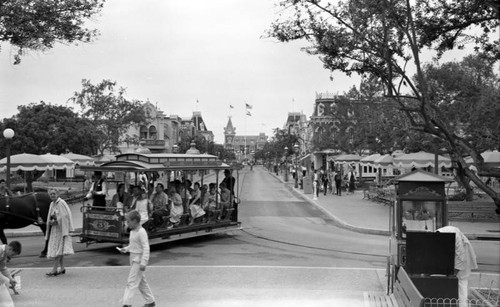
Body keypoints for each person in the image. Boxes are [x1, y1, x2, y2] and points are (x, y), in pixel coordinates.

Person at [118, 210, 156, 307]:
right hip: (133, 258)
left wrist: (144, 262)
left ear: (135, 221)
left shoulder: (141, 232)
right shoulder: (133, 232)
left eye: (128, 221)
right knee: (141, 282)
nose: (127, 223)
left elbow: (146, 247)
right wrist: (126, 249)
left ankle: (126, 303)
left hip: (138, 260)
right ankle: (150, 301)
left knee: (131, 282)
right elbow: (133, 245)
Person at [437, 226, 478, 307]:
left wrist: (454, 272)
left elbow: (461, 256)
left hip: (462, 257)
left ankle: (463, 305)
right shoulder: (439, 234)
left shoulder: (454, 234)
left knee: (462, 283)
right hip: (454, 257)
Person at [46, 188, 74, 276]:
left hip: (61, 230)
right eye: (51, 194)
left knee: (58, 250)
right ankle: (62, 268)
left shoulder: (61, 203)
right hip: (55, 229)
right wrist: (51, 221)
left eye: (54, 193)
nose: (52, 195)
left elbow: (64, 216)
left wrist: (55, 221)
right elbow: (53, 215)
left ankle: (54, 270)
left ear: (57, 194)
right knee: (59, 249)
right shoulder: (52, 203)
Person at [0, 241, 21, 306]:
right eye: (12, 254)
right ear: (10, 249)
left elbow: (3, 268)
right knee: (4, 281)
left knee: (6, 281)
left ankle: (4, 301)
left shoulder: (4, 254)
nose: (12, 257)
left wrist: (11, 278)